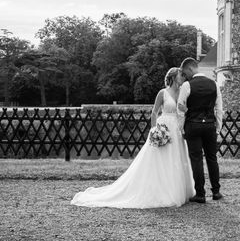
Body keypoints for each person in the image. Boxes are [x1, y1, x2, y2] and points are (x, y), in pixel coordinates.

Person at [71, 68, 196, 208]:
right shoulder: (163, 93)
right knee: (161, 160)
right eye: (181, 75)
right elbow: (154, 113)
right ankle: (160, 191)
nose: (183, 77)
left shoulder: (183, 92)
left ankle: (177, 190)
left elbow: (184, 110)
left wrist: (185, 114)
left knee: (176, 160)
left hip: (177, 129)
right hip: (164, 127)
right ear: (173, 77)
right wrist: (154, 130)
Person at [177, 57, 223, 203]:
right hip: (209, 125)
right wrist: (218, 127)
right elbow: (219, 109)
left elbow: (180, 109)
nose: (185, 76)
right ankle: (216, 192)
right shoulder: (214, 84)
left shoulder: (187, 86)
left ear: (190, 68)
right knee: (212, 158)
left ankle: (200, 194)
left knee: (196, 160)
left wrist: (181, 128)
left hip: (193, 125)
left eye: (185, 73)